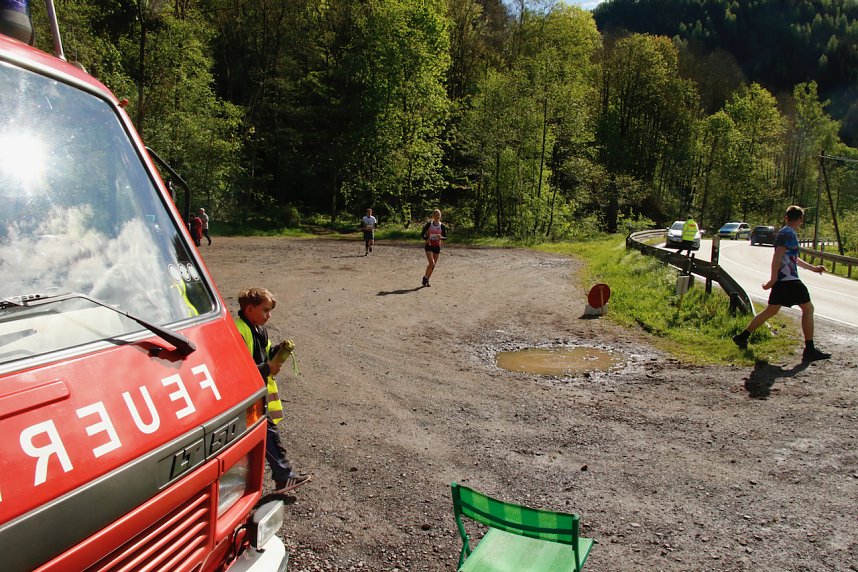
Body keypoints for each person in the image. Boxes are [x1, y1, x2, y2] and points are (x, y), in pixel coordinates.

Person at [235, 287, 311, 493]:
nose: (269, 315)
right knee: (266, 432)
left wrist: (278, 350)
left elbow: (265, 351)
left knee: (265, 433)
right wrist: (267, 368)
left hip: (257, 392)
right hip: (245, 395)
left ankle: (280, 476)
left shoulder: (259, 329)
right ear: (250, 309)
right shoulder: (238, 330)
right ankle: (282, 476)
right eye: (265, 310)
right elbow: (237, 369)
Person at [732, 205, 830, 362]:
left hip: (783, 280)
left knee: (770, 311)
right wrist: (772, 279)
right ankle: (809, 350)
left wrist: (813, 268)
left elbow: (792, 258)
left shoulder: (784, 233)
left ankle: (742, 337)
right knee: (808, 308)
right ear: (800, 220)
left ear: (786, 217)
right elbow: (777, 257)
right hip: (789, 280)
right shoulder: (788, 234)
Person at [421, 209, 448, 287]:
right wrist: (427, 239)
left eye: (439, 214)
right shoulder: (429, 224)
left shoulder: (442, 226)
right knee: (431, 263)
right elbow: (422, 234)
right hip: (429, 245)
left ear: (440, 216)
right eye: (436, 214)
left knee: (433, 265)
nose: (437, 216)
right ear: (433, 216)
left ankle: (427, 279)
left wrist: (441, 237)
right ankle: (425, 278)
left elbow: (445, 238)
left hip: (437, 246)